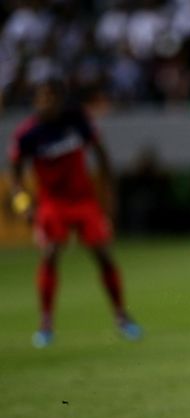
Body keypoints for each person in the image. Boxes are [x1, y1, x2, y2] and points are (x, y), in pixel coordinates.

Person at [8, 80, 142, 348]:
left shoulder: (78, 122)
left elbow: (102, 157)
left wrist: (109, 197)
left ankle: (122, 317)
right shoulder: (28, 134)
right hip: (53, 203)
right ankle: (45, 323)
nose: (45, 103)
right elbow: (14, 173)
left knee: (103, 254)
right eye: (41, 98)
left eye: (50, 97)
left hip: (83, 200)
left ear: (59, 100)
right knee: (50, 254)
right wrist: (23, 203)